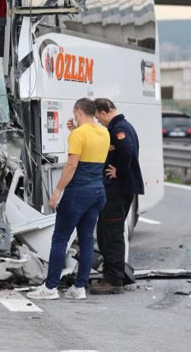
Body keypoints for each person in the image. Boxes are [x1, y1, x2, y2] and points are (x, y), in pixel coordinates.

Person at [28, 98, 109, 301]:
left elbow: (72, 165)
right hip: (97, 191)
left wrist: (57, 191)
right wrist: (76, 131)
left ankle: (50, 287)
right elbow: (90, 151)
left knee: (60, 238)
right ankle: (79, 287)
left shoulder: (79, 134)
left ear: (79, 112)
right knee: (86, 239)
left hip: (78, 192)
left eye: (75, 113)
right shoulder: (103, 132)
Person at [89, 98, 144, 294]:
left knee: (111, 234)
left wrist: (118, 172)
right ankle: (111, 276)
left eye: (98, 118)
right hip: (117, 190)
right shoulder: (120, 126)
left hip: (118, 190)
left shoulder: (119, 128)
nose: (99, 122)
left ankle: (114, 281)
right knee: (105, 232)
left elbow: (127, 150)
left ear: (103, 112)